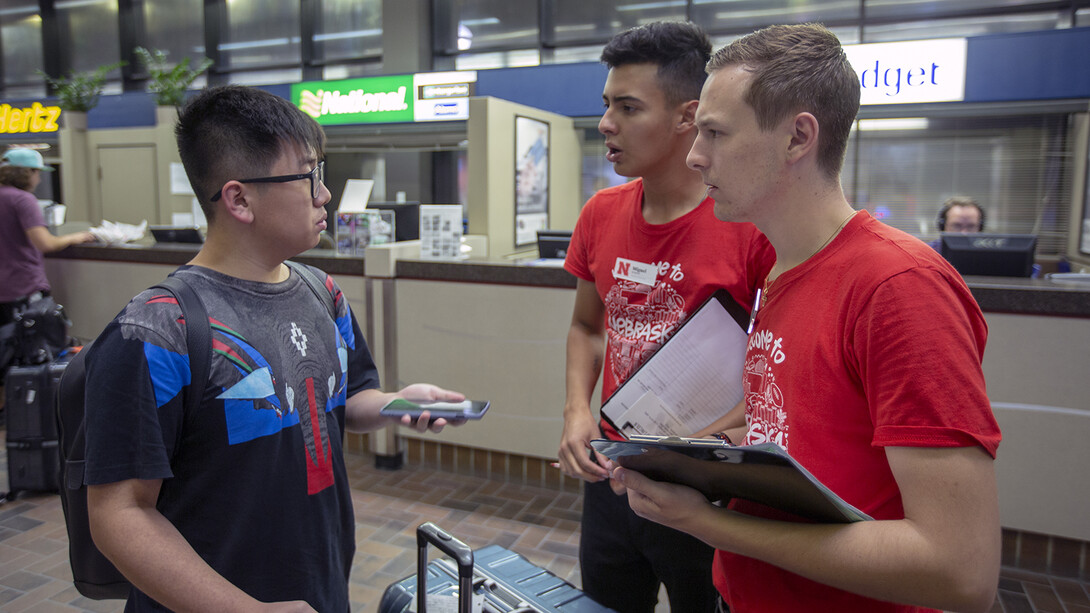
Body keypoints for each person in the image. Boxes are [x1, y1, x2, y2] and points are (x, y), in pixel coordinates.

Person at [611, 23, 1002, 613]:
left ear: (798, 138)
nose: (695, 155)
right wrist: (690, 460)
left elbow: (960, 571)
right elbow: (802, 437)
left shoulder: (898, 289)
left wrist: (711, 526)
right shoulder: (781, 272)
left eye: (715, 133)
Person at [81, 85, 466, 612]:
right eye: (308, 176)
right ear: (238, 198)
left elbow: (342, 402)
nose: (324, 194)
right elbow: (117, 513)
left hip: (318, 581)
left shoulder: (320, 291)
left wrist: (401, 402)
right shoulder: (158, 330)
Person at [558, 21, 775, 613]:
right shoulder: (601, 213)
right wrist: (577, 413)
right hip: (614, 469)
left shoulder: (747, 226)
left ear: (687, 118)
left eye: (628, 108)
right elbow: (586, 325)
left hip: (705, 485)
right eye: (607, 105)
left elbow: (777, 368)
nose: (606, 124)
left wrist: (701, 448)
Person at [0, 148, 95, 328]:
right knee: (30, 347)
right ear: (29, 172)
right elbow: (45, 243)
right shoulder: (23, 200)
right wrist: (76, 237)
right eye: (38, 173)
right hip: (21, 288)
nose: (39, 179)